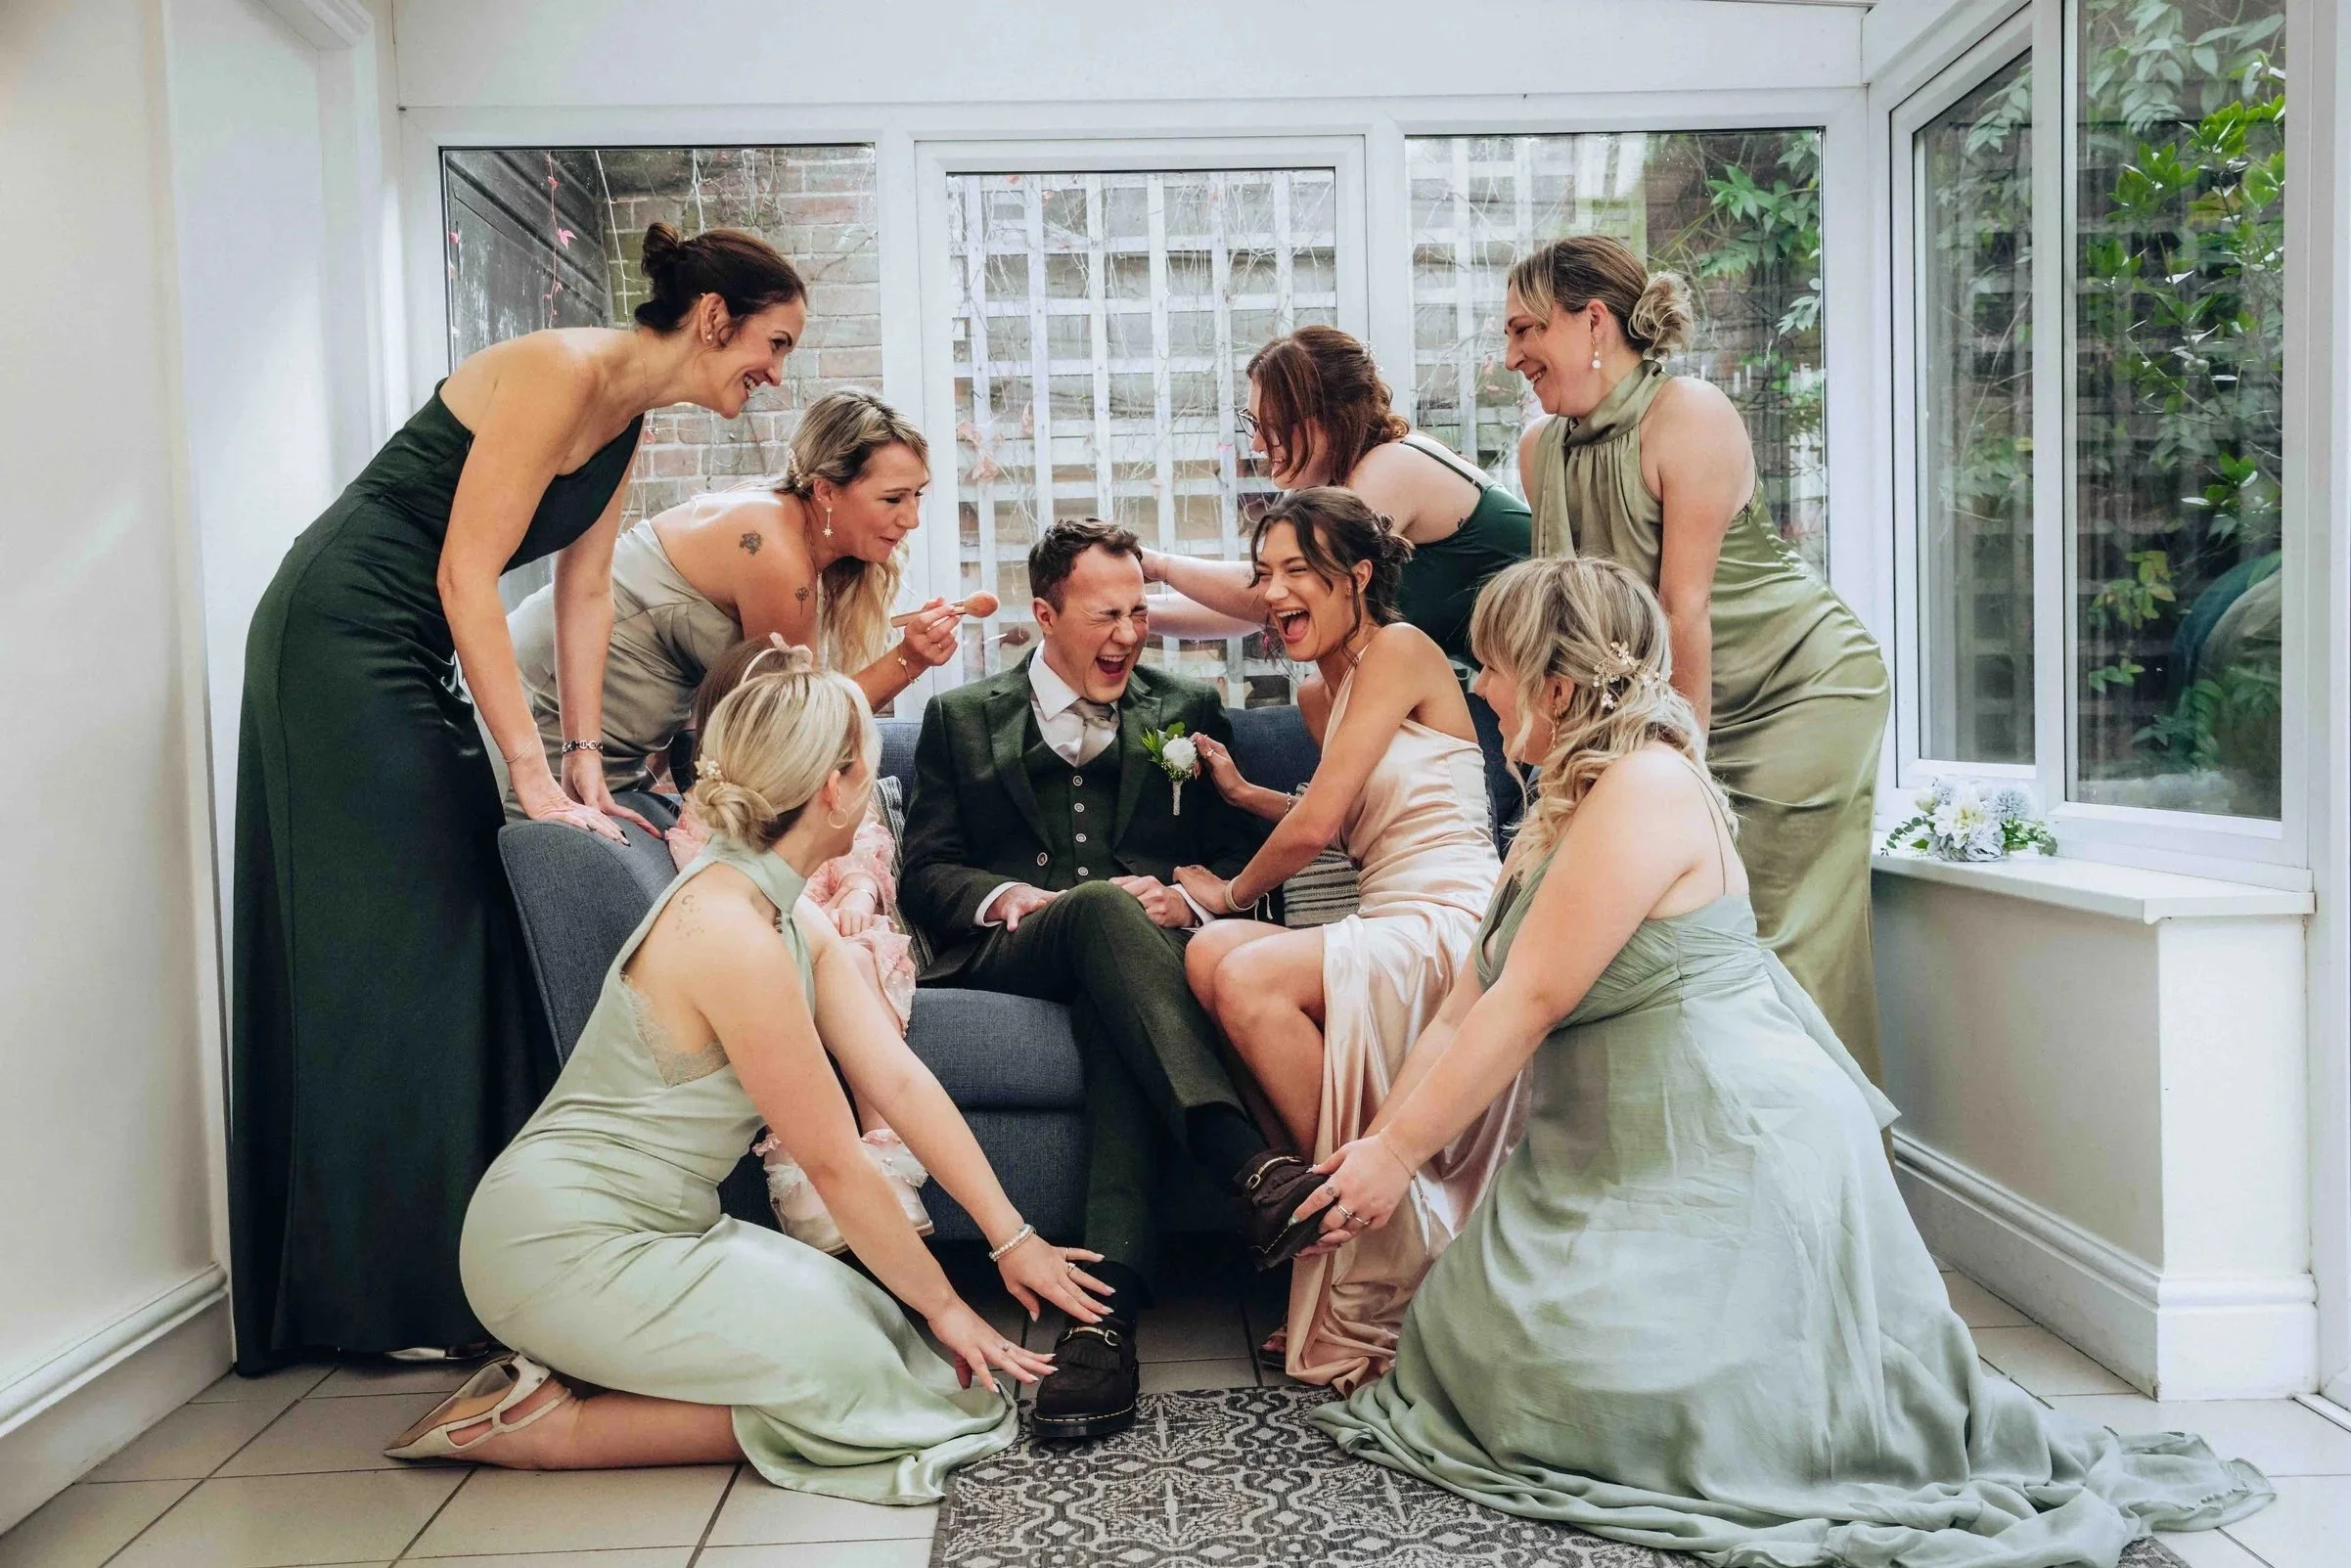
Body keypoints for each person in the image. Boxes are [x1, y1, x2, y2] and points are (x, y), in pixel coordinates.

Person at [1301, 558, 2273, 1564]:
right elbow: (1459, 1012)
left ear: (1553, 685)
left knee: (1589, 1399)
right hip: (1606, 1160)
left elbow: (1527, 1002)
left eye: (1494, 668)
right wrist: (1376, 1147)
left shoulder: (1646, 787)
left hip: (1728, 1152)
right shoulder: (1557, 811)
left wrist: (1399, 1160)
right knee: (1465, 1341)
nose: (1482, 690)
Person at [230, 222, 806, 1370]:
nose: (777, 373)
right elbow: (465, 575)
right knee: (392, 948)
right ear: (713, 319)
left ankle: (445, 1278)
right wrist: (530, 777)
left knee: (456, 934)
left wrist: (581, 756)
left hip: (413, 647)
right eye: (775, 343)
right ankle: (370, 1295)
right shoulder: (559, 370)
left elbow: (586, 592)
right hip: (338, 637)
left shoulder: (625, 418)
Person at [392, 650, 1109, 1498]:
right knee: (868, 1391)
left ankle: (598, 1365)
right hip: (558, 1244)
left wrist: (1012, 1237)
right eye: (868, 763)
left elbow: (901, 1082)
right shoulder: (731, 934)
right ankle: (547, 1428)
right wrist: (951, 1307)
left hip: (663, 1231)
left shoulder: (783, 908)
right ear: (835, 789)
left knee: (889, 1345)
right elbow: (835, 1162)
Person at [897, 516, 1332, 1441]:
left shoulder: (1188, 705)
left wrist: (1183, 898)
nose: (1130, 634)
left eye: (1139, 612)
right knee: (1095, 906)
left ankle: (1103, 1327)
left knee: (1114, 1003)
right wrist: (1008, 896)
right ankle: (1244, 1163)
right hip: (1017, 951)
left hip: (1143, 962)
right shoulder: (960, 717)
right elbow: (925, 872)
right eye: (1106, 615)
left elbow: (1234, 863)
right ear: (1044, 614)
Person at [1504, 235, 1889, 1073]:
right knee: (1666, 942)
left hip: (1798, 690)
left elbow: (1683, 608)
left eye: (1526, 330)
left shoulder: (1687, 414)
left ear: (1592, 321)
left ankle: (1820, 1146)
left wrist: (1679, 774)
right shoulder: (1540, 453)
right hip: (1680, 703)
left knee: (1764, 940)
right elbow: (1576, 622)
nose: (1510, 357)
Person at [1169, 489, 1515, 1392]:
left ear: (1357, 577)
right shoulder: (1321, 694)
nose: (1273, 591)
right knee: (1208, 957)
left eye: (1297, 570)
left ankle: (1375, 1245)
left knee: (1244, 973)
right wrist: (1245, 796)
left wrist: (1225, 893)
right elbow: (1350, 816)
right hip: (1386, 906)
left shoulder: (1400, 650)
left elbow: (1320, 823)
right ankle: (1355, 1226)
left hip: (1450, 914)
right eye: (1263, 573)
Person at [1142, 326, 1530, 831]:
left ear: (1322, 418)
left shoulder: (1391, 467)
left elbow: (1265, 596)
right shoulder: (1341, 492)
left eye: (1269, 426)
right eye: (1252, 423)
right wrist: (1135, 614)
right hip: (1500, 690)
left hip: (1550, 688)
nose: (1257, 443)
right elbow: (1269, 605)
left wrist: (1158, 566)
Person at [505, 386, 964, 801]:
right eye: (892, 499)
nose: (911, 519)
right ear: (826, 491)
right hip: (541, 722)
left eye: (917, 496)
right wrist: (909, 659)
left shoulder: (785, 524)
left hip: (611, 755)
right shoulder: (776, 554)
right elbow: (799, 725)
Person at [666, 637, 932, 1248]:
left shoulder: (835, 797)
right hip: (775, 942)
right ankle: (806, 1171)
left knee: (858, 957)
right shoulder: (710, 817)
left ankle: (885, 1162)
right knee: (790, 976)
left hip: (849, 931)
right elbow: (721, 887)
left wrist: (858, 894)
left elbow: (867, 850)